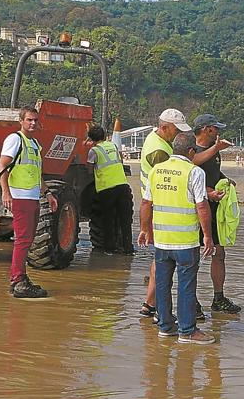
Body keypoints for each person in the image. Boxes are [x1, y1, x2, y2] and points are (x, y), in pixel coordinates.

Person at [137, 131, 216, 345]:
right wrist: (207, 236)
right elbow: (202, 206)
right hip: (186, 242)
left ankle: (165, 327)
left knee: (162, 283)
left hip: (162, 241)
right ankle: (187, 330)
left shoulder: (156, 171)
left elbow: (145, 203)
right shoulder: (194, 172)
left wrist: (144, 229)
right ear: (191, 151)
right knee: (186, 285)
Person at [138, 109, 193, 319]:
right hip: (159, 209)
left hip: (154, 207)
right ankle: (160, 311)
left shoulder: (159, 140)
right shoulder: (158, 151)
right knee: (164, 263)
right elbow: (174, 178)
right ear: (164, 128)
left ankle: (150, 304)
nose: (179, 135)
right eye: (176, 130)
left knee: (160, 260)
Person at [0, 106, 58, 299]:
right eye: (29, 120)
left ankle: (19, 278)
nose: (33, 123)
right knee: (23, 240)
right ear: (21, 121)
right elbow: (2, 165)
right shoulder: (16, 139)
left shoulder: (34, 145)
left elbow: (36, 174)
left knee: (28, 239)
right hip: (20, 197)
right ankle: (18, 280)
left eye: (35, 120)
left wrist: (48, 193)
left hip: (32, 197)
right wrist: (6, 193)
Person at [192, 113, 241, 313]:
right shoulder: (192, 149)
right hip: (197, 208)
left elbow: (213, 171)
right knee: (193, 255)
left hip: (214, 208)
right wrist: (207, 192)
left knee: (219, 253)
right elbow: (193, 163)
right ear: (206, 129)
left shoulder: (215, 151)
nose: (218, 132)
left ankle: (218, 297)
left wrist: (225, 179)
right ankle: (191, 300)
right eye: (215, 128)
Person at [86, 124, 134, 254]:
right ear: (104, 135)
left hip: (107, 189)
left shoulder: (94, 151)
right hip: (123, 186)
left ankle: (109, 249)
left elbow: (90, 170)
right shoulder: (113, 146)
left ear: (91, 139)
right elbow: (120, 161)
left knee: (107, 220)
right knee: (125, 219)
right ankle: (129, 249)